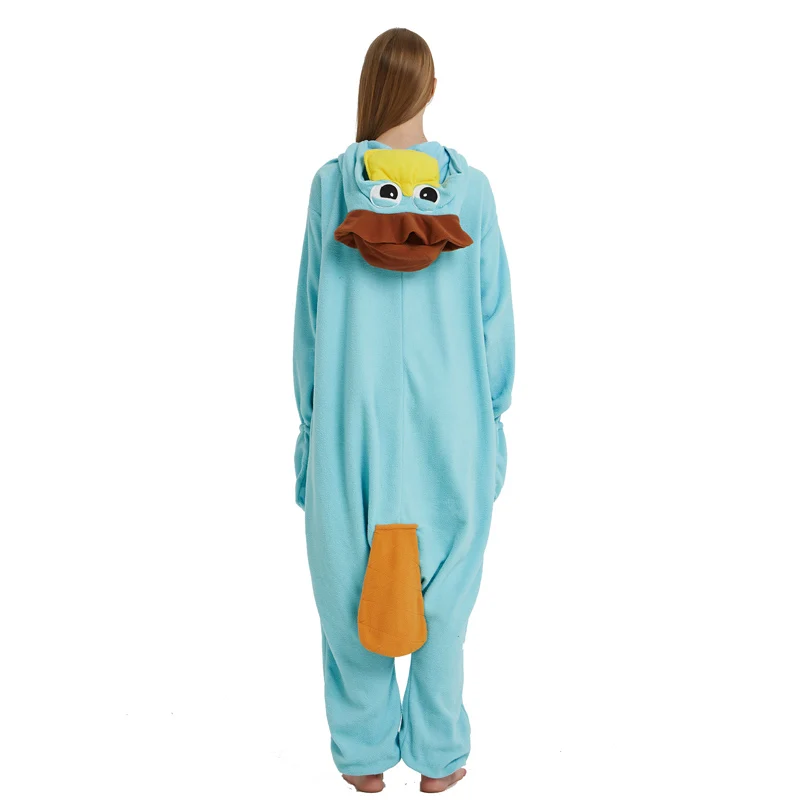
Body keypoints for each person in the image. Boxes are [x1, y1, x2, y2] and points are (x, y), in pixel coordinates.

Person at [292, 27, 515, 794]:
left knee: (345, 590)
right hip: (451, 426)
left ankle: (363, 756)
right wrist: (494, 423)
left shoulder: (332, 187)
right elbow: (494, 316)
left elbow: (311, 319)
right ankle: (439, 754)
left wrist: (309, 430)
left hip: (350, 424)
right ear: (430, 89)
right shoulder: (470, 193)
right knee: (446, 603)